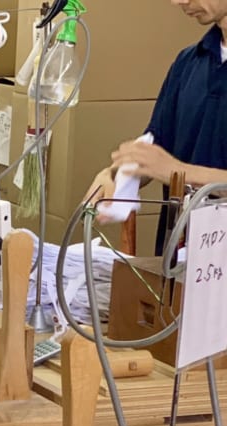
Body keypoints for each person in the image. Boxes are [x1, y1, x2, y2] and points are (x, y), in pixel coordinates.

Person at [87, 0, 227, 253]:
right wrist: (117, 176)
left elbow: (170, 168)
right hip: (180, 261)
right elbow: (157, 146)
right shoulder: (189, 63)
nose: (178, 1)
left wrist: (180, 173)